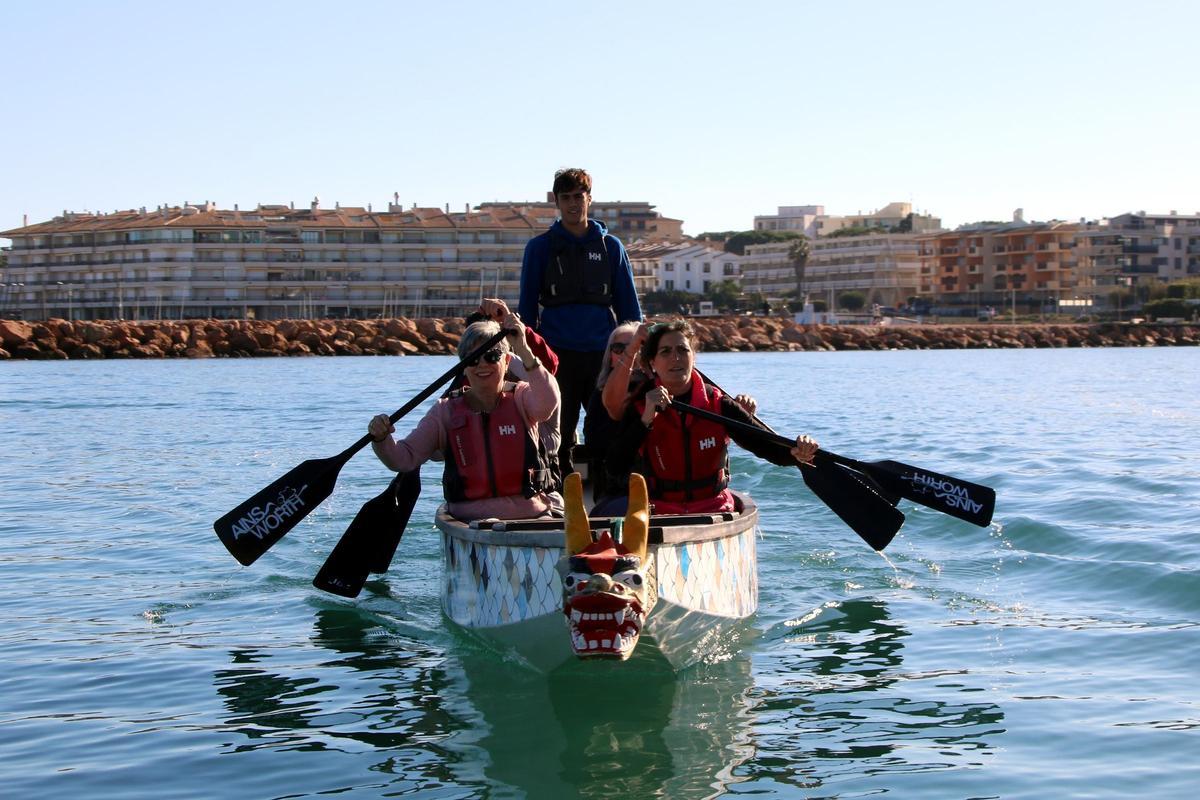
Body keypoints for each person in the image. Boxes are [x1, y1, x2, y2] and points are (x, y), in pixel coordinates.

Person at [606, 320, 818, 515]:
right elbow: (615, 465)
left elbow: (765, 446)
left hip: (714, 509)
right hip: (660, 510)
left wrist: (798, 451)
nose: (675, 358)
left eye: (683, 350)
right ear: (653, 362)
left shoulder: (719, 404)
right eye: (665, 351)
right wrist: (645, 419)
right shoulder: (640, 405)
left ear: (693, 357)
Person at [368, 316, 560, 521]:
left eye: (492, 357)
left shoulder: (523, 398)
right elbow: (403, 459)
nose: (482, 365)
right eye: (473, 359)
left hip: (529, 517)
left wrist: (523, 348)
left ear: (506, 361)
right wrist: (381, 439)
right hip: (469, 522)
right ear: (464, 366)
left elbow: (548, 402)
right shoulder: (445, 411)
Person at [518, 167, 643, 477]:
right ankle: (561, 491)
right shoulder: (539, 248)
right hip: (557, 354)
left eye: (579, 196)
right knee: (559, 429)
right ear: (556, 202)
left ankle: (613, 486)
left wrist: (638, 350)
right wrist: (525, 354)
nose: (574, 204)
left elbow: (629, 308)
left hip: (603, 356)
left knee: (609, 423)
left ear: (590, 199)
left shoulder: (611, 247)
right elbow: (526, 310)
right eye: (566, 198)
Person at [583, 322, 645, 513]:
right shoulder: (600, 397)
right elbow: (595, 445)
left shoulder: (661, 390)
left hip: (658, 490)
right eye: (620, 349)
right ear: (610, 357)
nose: (631, 355)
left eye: (637, 347)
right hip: (616, 489)